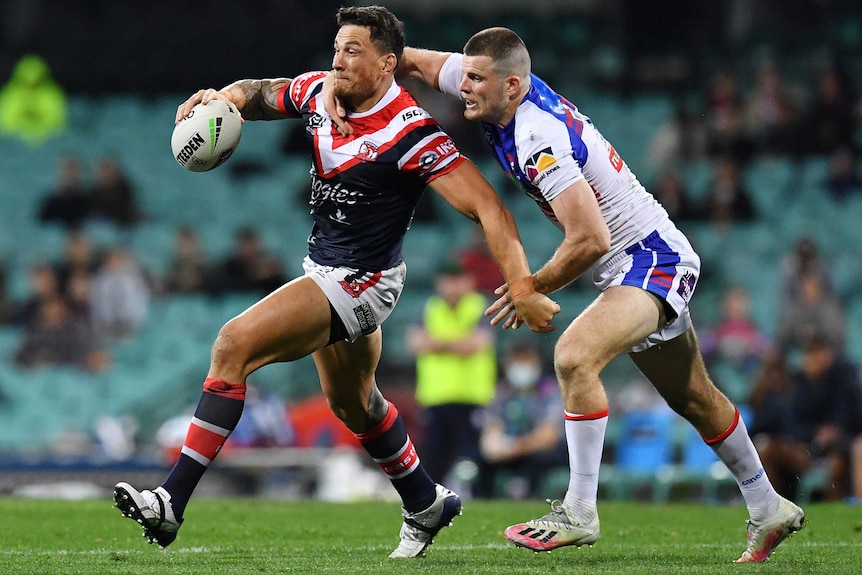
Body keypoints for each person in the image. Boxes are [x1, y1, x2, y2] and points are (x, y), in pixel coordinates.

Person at [328, 27, 805, 562]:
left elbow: (590, 238)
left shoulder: (537, 136)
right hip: (632, 263)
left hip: (650, 258)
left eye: (477, 81)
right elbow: (405, 61)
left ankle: (579, 510)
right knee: (692, 397)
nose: (464, 89)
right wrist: (334, 86)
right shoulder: (490, 86)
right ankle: (769, 507)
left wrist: (530, 287)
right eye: (466, 76)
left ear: (511, 86)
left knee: (574, 357)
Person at [113, 6, 558, 560]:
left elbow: (489, 208)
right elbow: (260, 93)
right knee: (354, 405)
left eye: (353, 52)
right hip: (327, 270)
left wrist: (522, 283)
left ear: (387, 64)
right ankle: (425, 501)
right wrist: (220, 98)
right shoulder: (323, 95)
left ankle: (170, 502)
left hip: (362, 281)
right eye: (336, 49)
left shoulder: (410, 131)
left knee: (232, 344)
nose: (339, 61)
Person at [406, 261, 497, 493]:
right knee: (435, 458)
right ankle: (432, 502)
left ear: (470, 282)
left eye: (458, 281)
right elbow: (416, 343)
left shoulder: (480, 307)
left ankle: (480, 500)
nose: (453, 287)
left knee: (473, 457)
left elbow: (476, 344)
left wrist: (437, 343)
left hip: (473, 396)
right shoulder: (429, 308)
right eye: (448, 281)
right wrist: (457, 342)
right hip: (435, 397)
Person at [756, 334, 862, 501]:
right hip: (807, 447)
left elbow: (854, 421)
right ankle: (774, 505)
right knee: (766, 449)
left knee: (837, 461)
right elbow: (792, 425)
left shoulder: (846, 382)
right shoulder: (801, 386)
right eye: (807, 354)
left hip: (838, 449)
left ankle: (832, 506)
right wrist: (812, 433)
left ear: (826, 355)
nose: (809, 360)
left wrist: (835, 433)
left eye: (814, 353)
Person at [475, 341, 566, 500]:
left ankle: (534, 499)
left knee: (542, 459)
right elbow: (492, 428)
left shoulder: (549, 390)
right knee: (481, 459)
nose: (522, 367)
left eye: (527, 361)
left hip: (540, 450)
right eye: (518, 361)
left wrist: (516, 447)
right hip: (511, 450)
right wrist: (496, 446)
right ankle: (483, 500)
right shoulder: (503, 392)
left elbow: (548, 435)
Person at [0, 54, 67, 146]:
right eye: (25, 82)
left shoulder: (50, 94)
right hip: (15, 142)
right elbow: (5, 123)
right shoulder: (12, 94)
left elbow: (58, 121)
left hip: (48, 141)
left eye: (37, 82)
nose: (31, 87)